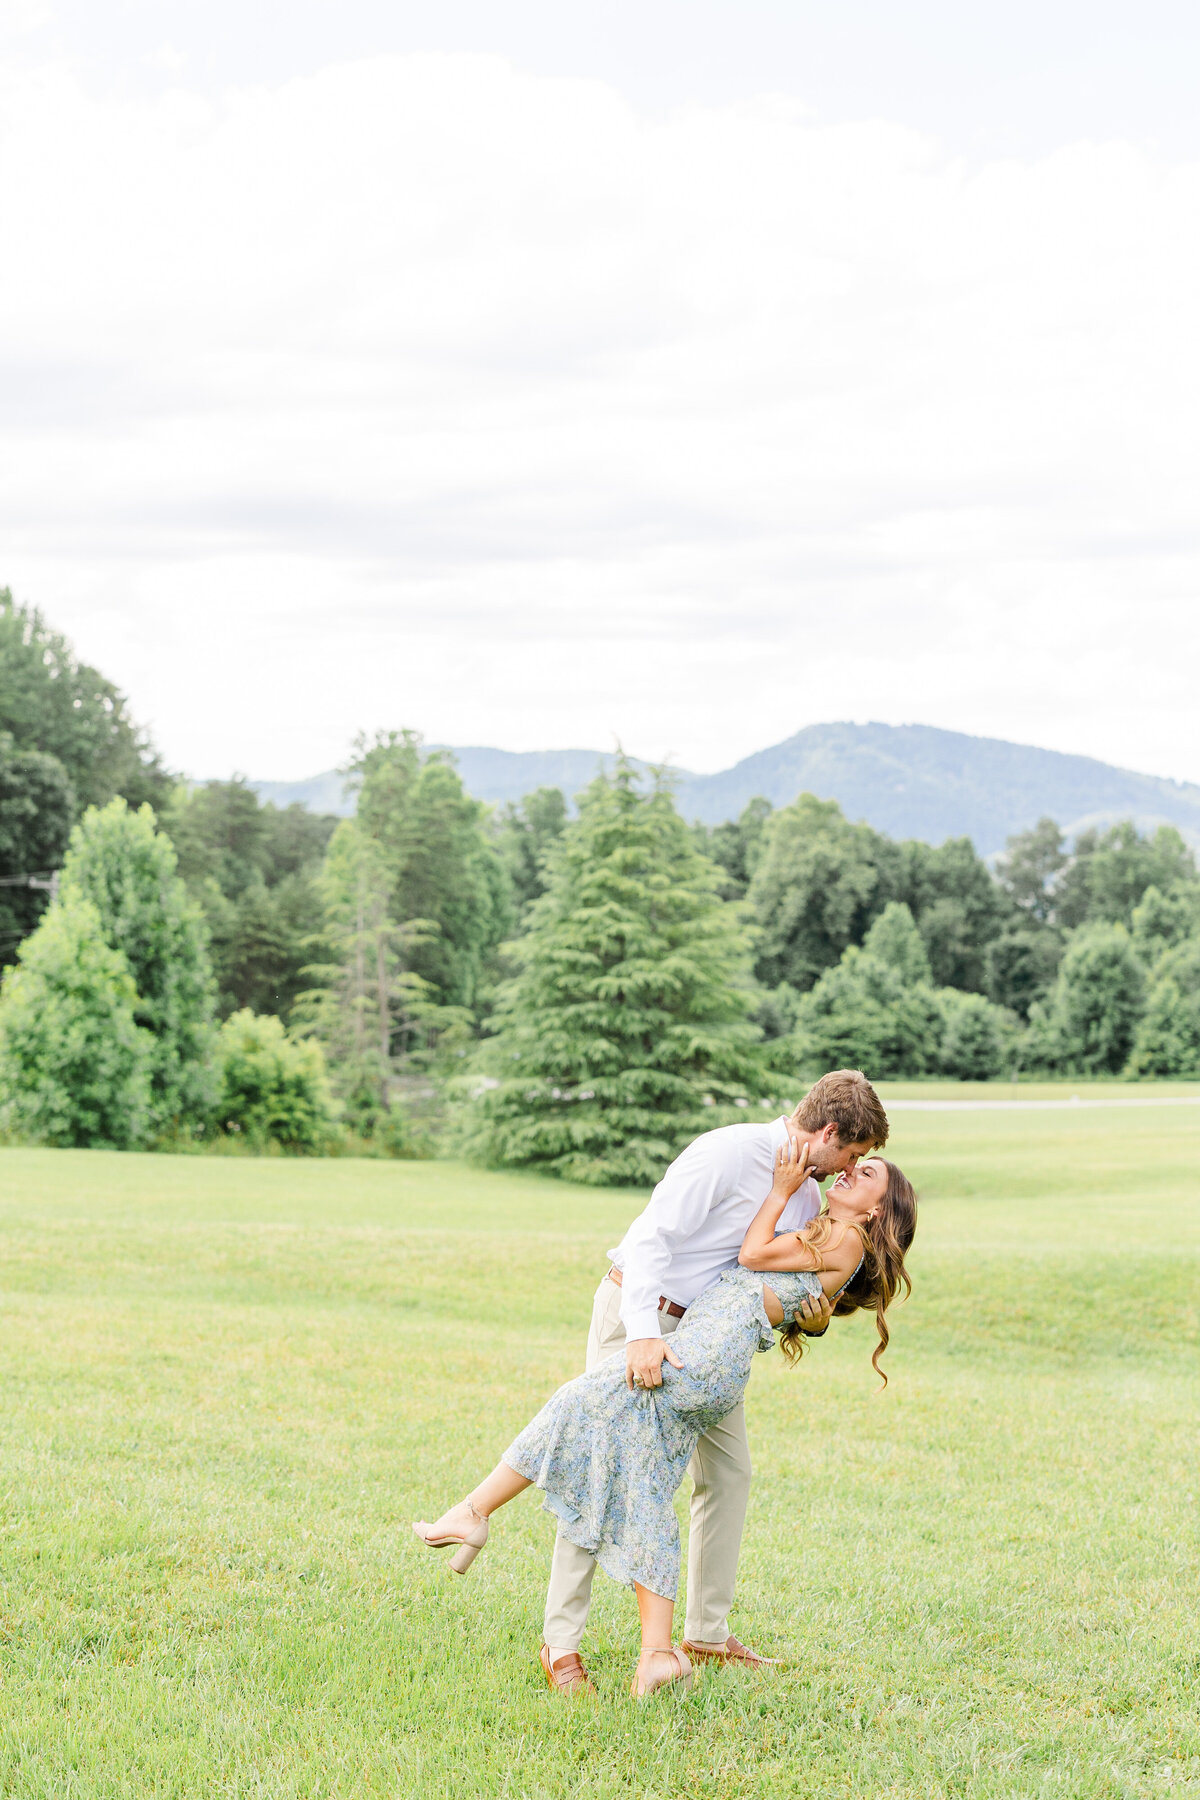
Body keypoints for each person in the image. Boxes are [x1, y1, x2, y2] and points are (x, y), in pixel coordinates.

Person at [414, 1108, 916, 1699]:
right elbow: (654, 1237)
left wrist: (821, 1313)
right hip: (646, 1317)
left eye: (863, 1166)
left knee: (724, 1474)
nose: (851, 1168)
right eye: (855, 1155)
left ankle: (699, 1635)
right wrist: (644, 1332)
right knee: (601, 1455)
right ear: (829, 1135)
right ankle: (564, 1642)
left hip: (706, 1350)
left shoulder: (809, 1198)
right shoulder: (730, 1152)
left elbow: (797, 1283)